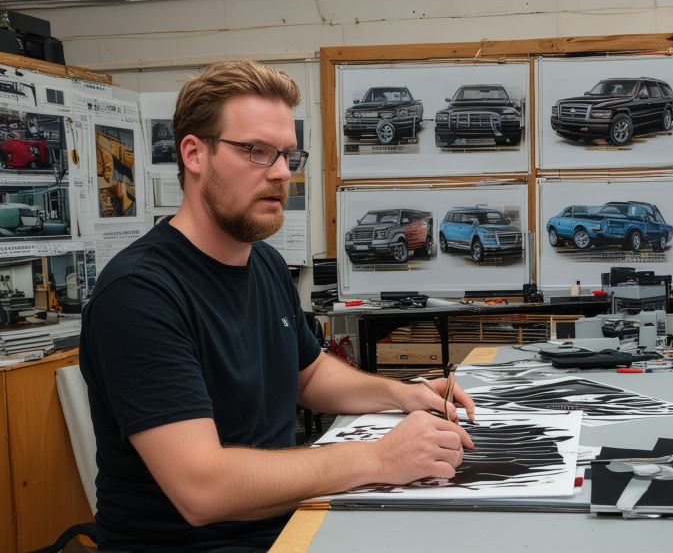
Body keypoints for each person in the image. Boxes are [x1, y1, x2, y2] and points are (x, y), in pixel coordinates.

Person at [79, 60, 475, 553]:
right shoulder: (139, 294)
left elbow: (308, 375)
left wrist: (403, 394)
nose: (282, 173)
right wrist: (378, 457)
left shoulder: (264, 262)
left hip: (286, 523)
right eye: (256, 151)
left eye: (287, 154)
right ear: (194, 153)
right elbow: (202, 488)